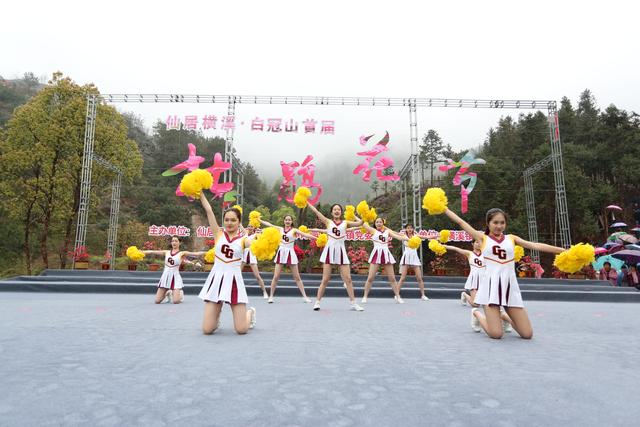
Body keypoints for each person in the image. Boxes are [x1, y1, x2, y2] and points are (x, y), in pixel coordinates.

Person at [445, 207, 565, 339]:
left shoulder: (511, 238)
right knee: (496, 334)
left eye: (502, 222)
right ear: (488, 223)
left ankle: (503, 316)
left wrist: (563, 251)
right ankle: (477, 314)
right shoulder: (482, 238)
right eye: (495, 222)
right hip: (490, 288)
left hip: (509, 287)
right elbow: (461, 222)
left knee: (527, 334)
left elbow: (535, 245)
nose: (499, 226)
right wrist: (444, 208)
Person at [197, 192, 256, 335]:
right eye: (227, 220)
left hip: (234, 280)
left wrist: (263, 241)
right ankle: (216, 317)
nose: (229, 223)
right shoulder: (218, 234)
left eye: (233, 220)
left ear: (239, 222)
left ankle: (250, 314)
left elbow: (254, 244)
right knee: (207, 330)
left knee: (241, 330)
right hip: (217, 279)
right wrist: (200, 192)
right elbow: (209, 210)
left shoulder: (243, 240)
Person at [306, 202, 365, 311]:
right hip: (329, 251)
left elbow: (360, 223)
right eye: (335, 209)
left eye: (339, 209)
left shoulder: (346, 222)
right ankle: (317, 302)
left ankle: (353, 303)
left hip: (341, 251)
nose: (337, 211)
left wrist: (363, 214)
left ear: (341, 212)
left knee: (348, 279)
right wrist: (307, 202)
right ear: (332, 212)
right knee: (325, 279)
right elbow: (316, 212)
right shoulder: (328, 221)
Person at [259, 215, 317, 303]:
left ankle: (305, 297)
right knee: (276, 276)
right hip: (281, 252)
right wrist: (260, 220)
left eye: (289, 220)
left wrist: (317, 238)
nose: (287, 221)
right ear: (284, 221)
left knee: (297, 277)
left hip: (290, 252)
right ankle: (271, 296)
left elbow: (306, 235)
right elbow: (270, 225)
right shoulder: (280, 229)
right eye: (286, 220)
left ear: (292, 221)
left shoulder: (294, 230)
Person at [142, 236, 204, 304]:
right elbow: (152, 252)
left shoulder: (182, 253)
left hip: (175, 277)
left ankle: (180, 294)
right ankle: (168, 293)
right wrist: (141, 252)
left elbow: (197, 254)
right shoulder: (166, 252)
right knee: (157, 301)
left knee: (176, 301)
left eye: (176, 241)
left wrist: (209, 253)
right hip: (165, 277)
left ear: (180, 243)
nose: (174, 243)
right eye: (173, 241)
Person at [360, 217, 407, 303]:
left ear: (383, 223)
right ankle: (365, 296)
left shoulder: (387, 231)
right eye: (377, 222)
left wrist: (408, 239)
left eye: (380, 222)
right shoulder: (373, 230)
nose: (378, 223)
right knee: (370, 278)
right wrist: (355, 215)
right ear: (375, 224)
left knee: (392, 278)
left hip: (386, 254)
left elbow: (398, 237)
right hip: (376, 254)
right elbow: (363, 223)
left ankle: (398, 296)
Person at [441, 239, 484, 307]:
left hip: (484, 279)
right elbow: (456, 249)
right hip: (474, 279)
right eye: (477, 242)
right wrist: (444, 246)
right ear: (472, 244)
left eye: (480, 242)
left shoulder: (486, 253)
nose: (478, 244)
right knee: (475, 304)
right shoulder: (469, 253)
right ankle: (464, 294)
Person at [396, 224, 430, 301]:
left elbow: (426, 237)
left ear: (413, 229)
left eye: (411, 228)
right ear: (405, 229)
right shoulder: (403, 236)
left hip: (414, 257)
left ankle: (423, 295)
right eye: (408, 228)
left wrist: (437, 236)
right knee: (402, 278)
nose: (410, 229)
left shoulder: (416, 236)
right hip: (406, 257)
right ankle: (397, 294)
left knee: (419, 278)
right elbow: (394, 233)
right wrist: (386, 229)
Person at [241, 225, 269, 299]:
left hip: (252, 254)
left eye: (251, 226)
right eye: (249, 226)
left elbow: (262, 241)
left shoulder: (256, 234)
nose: (250, 227)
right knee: (237, 274)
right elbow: (240, 224)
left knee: (257, 276)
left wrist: (260, 233)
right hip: (244, 254)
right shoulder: (245, 233)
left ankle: (264, 292)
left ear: (254, 228)